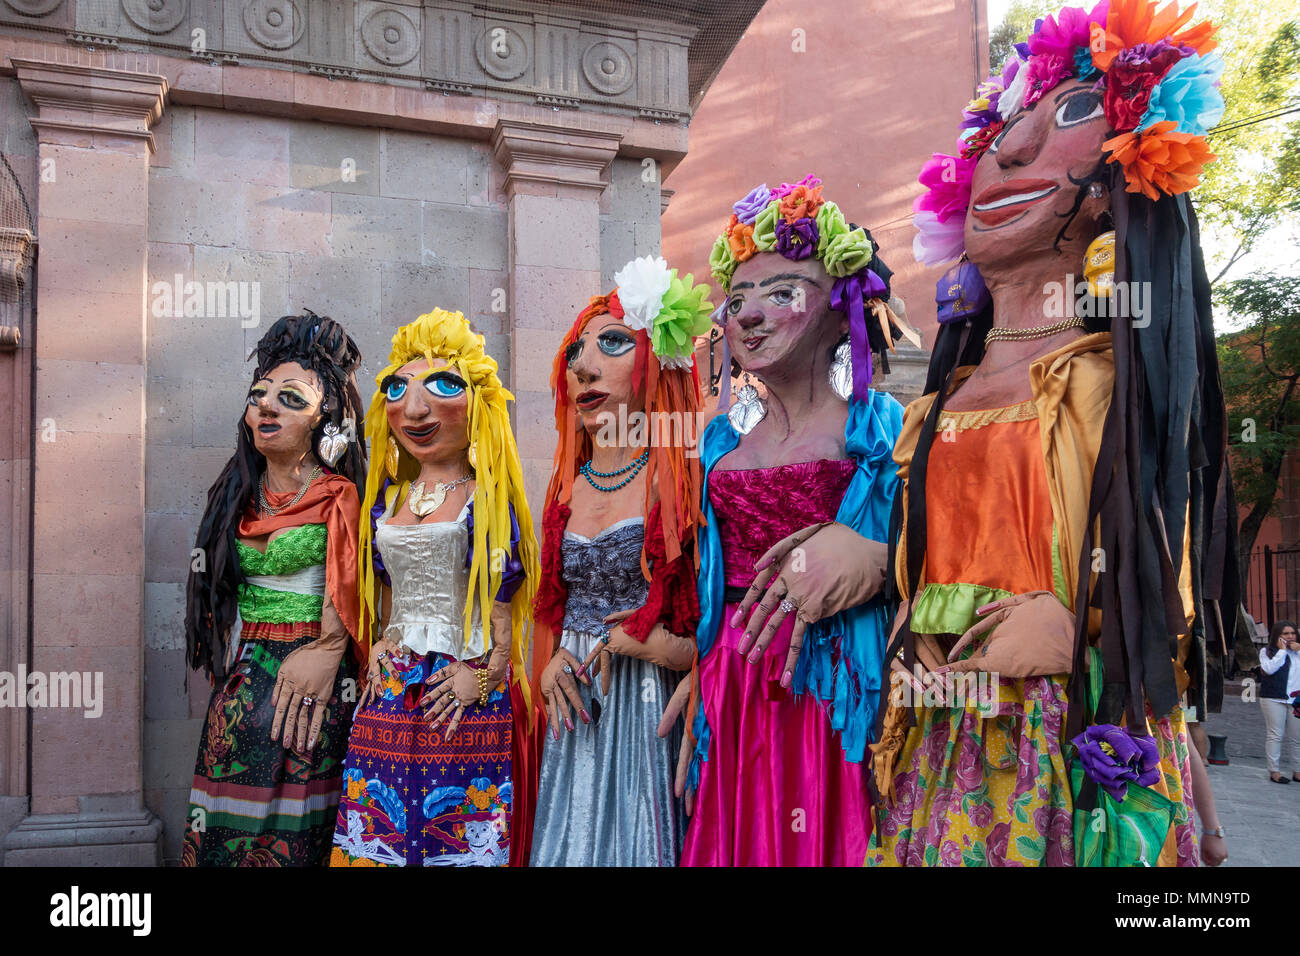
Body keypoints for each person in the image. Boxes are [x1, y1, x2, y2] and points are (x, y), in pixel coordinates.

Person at [868, 0, 1236, 867]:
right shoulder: (930, 407)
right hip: (936, 746)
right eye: (999, 134)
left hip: (1067, 744)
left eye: (1071, 113)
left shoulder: (1116, 387)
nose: (1013, 152)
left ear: (1127, 177)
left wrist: (1080, 631)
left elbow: (1159, 592)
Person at [660, 175, 907, 865]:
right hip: (734, 683)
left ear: (841, 308)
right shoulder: (718, 443)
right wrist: (703, 673)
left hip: (834, 685)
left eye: (782, 293)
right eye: (736, 300)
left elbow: (934, 560)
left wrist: (878, 562)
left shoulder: (884, 430)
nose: (748, 316)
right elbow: (710, 585)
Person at [329, 308, 539, 867]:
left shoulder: (487, 506)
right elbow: (389, 598)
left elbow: (503, 617)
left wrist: (484, 677)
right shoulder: (387, 502)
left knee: (456, 836)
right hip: (389, 695)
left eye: (441, 386)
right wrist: (377, 646)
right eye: (398, 388)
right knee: (379, 835)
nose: (414, 408)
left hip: (460, 692)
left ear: (479, 406)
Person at [529, 257, 711, 866]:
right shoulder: (564, 490)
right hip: (574, 711)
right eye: (576, 355)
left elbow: (713, 635)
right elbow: (552, 606)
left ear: (655, 361)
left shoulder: (682, 482)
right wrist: (551, 660)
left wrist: (658, 647)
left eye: (611, 343)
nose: (582, 367)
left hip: (646, 706)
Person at [183, 311, 367, 867]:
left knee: (297, 829)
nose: (266, 405)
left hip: (311, 682)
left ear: (323, 415)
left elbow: (348, 587)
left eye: (290, 398)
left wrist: (329, 651)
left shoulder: (338, 494)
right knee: (222, 824)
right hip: (241, 688)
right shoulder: (235, 495)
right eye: (259, 394)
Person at [1260, 620, 1300, 784]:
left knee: (1297, 738)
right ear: (1277, 635)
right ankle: (1274, 771)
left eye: (1292, 633)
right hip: (1273, 698)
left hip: (1296, 699)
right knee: (1275, 734)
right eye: (1285, 633)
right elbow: (1269, 669)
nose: (1290, 636)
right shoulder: (1267, 651)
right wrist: (1282, 651)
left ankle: (1297, 771)